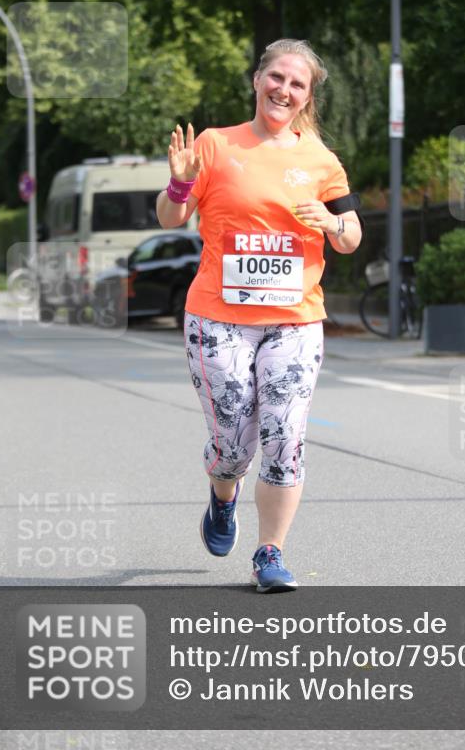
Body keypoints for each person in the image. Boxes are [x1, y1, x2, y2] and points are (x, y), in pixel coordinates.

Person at [156, 39, 361, 593]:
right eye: (277, 77)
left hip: (294, 320)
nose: (284, 89)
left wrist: (329, 220)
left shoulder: (320, 160)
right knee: (233, 437)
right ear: (257, 80)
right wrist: (179, 180)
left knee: (284, 433)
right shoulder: (216, 144)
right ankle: (223, 494)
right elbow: (172, 216)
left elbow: (351, 237)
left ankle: (270, 553)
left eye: (298, 84)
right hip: (217, 319)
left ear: (307, 97)